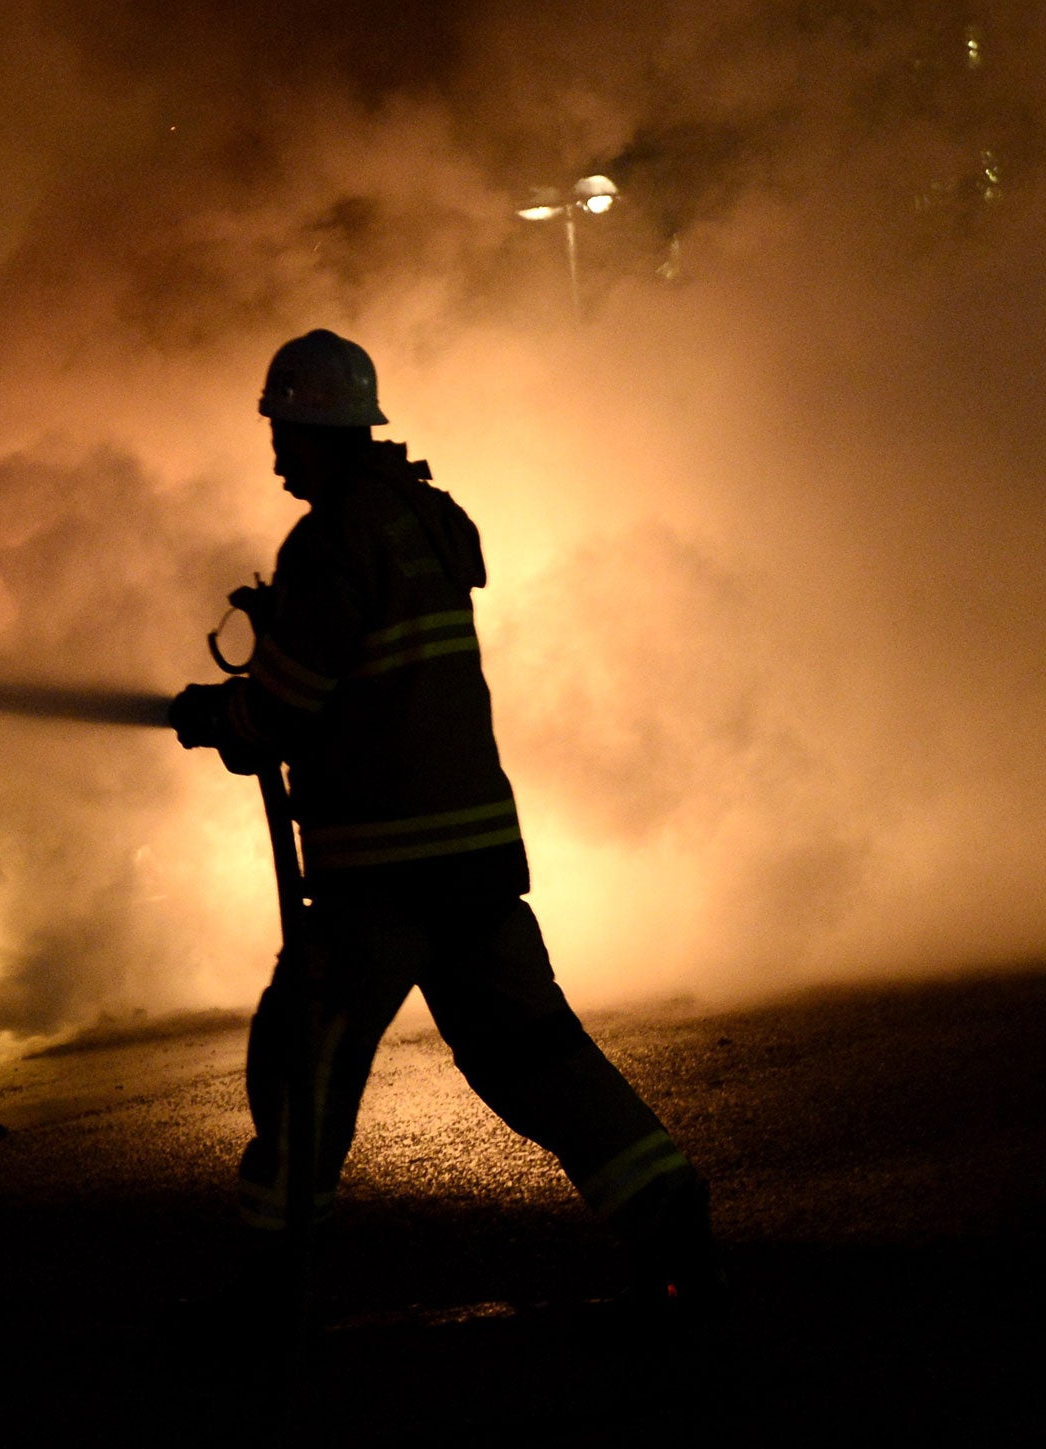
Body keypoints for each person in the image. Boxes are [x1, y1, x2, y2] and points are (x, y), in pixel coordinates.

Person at [170, 329, 721, 1312]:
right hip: (469, 860)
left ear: (313, 427)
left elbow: (285, 708)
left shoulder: (332, 539)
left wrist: (219, 715)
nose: (274, 453)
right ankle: (672, 1228)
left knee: (301, 1060)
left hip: (375, 874)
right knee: (537, 1057)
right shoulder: (421, 518)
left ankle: (270, 1285)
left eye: (283, 430)